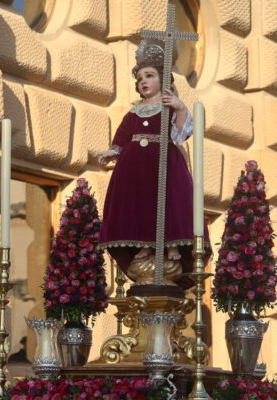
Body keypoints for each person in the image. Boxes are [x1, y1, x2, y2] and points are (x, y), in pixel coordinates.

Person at [97, 41, 210, 289]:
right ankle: (146, 246)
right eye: (140, 79)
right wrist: (112, 151)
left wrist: (180, 108)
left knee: (167, 203)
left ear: (163, 79)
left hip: (164, 161)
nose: (143, 82)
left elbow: (181, 133)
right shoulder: (135, 111)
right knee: (142, 206)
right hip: (134, 167)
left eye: (149, 76)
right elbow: (123, 135)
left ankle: (171, 245)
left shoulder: (169, 106)